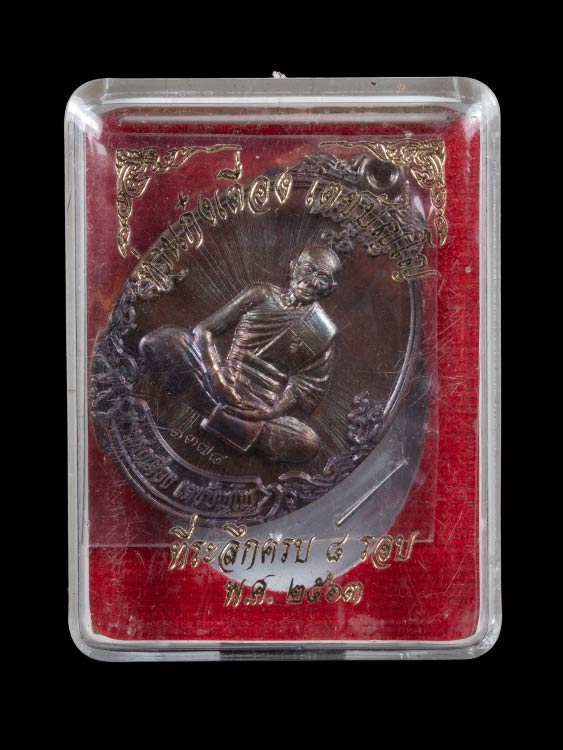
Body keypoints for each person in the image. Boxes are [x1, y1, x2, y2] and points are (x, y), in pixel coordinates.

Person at [139, 243, 341, 463]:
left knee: (307, 442)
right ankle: (234, 426)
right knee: (163, 341)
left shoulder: (324, 331)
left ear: (330, 289)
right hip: (221, 380)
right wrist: (219, 380)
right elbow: (204, 330)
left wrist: (271, 412)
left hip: (257, 407)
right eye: (308, 270)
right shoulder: (262, 294)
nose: (311, 282)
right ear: (294, 267)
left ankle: (210, 411)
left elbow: (306, 385)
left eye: (322, 278)